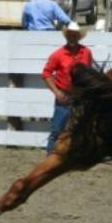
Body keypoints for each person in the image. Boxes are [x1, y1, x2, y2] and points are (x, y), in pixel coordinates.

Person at [42, 22, 94, 154]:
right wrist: (57, 92)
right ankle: (50, 155)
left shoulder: (86, 52)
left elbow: (89, 72)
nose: (72, 38)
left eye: (74, 35)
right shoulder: (58, 54)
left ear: (78, 37)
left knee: (82, 127)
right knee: (57, 129)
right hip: (64, 96)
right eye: (70, 35)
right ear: (66, 36)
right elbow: (46, 74)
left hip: (81, 96)